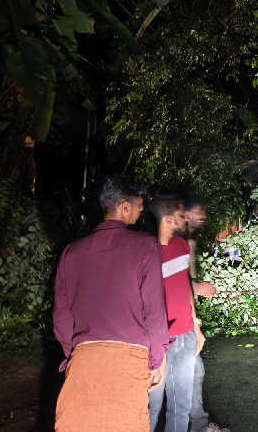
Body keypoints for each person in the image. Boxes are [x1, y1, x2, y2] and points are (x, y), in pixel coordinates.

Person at [53, 174, 170, 432]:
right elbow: (154, 309)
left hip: (84, 357)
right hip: (129, 361)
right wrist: (157, 358)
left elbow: (62, 316)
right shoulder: (145, 246)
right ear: (124, 207)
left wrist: (73, 353)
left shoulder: (71, 252)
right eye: (139, 204)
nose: (142, 210)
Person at [148, 194, 207, 432]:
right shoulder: (146, 252)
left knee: (180, 407)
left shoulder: (182, 246)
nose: (186, 219)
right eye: (182, 215)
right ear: (168, 219)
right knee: (152, 405)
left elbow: (185, 291)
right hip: (159, 340)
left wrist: (196, 327)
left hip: (185, 335)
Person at [184, 196, 230, 432]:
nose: (202, 216)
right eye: (198, 211)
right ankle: (198, 427)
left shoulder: (186, 241)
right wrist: (196, 287)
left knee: (192, 372)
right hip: (175, 321)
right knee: (191, 372)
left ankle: (198, 425)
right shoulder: (172, 242)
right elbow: (165, 282)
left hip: (184, 318)